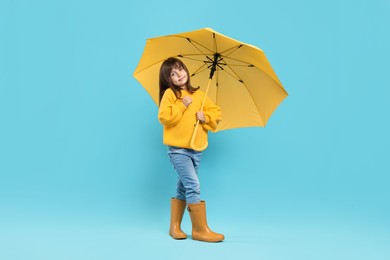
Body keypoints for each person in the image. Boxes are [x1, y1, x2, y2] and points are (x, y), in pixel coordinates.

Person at [158, 57, 224, 242]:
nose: (179, 75)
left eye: (180, 69)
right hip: (178, 150)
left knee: (183, 187)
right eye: (173, 73)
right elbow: (164, 117)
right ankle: (199, 230)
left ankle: (174, 227)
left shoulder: (201, 96)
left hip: (196, 149)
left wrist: (206, 117)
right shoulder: (170, 95)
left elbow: (216, 113)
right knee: (193, 185)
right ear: (168, 79)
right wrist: (182, 104)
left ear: (186, 70)